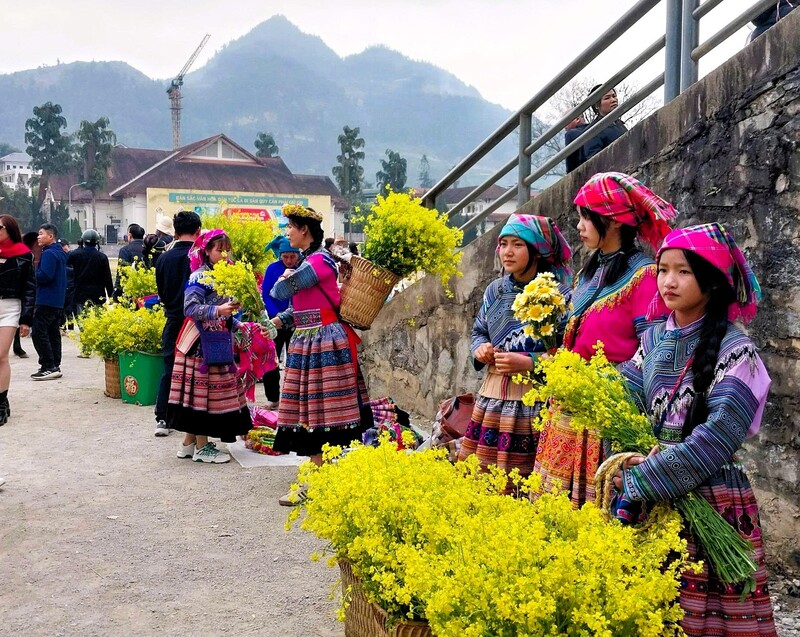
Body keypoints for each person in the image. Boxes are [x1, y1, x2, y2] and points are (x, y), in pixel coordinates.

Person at [615, 223, 777, 636]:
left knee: (708, 616)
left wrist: (646, 476)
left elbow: (720, 435)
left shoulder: (737, 351)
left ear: (712, 281)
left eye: (683, 271)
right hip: (653, 489)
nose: (668, 281)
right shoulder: (651, 341)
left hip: (712, 494)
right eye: (662, 269)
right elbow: (620, 401)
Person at [532, 171, 677, 507]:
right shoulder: (590, 272)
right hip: (568, 408)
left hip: (603, 416)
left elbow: (652, 353)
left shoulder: (644, 276)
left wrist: (597, 381)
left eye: (586, 216)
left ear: (613, 221)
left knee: (589, 513)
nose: (579, 225)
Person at [458, 214, 573, 485]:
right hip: (492, 397)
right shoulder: (495, 291)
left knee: (527, 482)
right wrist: (480, 349)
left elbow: (569, 352)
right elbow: (479, 332)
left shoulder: (559, 296)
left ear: (536, 250)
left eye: (517, 245)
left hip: (535, 402)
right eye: (503, 244)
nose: (507, 252)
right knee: (481, 479)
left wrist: (530, 362)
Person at [269, 206, 371, 504]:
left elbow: (279, 290)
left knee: (322, 410)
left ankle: (316, 480)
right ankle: (322, 476)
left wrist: (285, 276)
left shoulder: (319, 262)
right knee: (314, 410)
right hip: (309, 339)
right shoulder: (309, 262)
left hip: (324, 342)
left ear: (304, 230)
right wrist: (277, 323)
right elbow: (299, 306)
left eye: (290, 227)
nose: (287, 232)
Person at [167, 229, 253, 463]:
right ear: (206, 251)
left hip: (215, 341)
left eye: (227, 249)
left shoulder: (225, 276)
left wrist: (237, 324)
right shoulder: (199, 276)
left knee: (198, 397)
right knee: (200, 397)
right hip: (199, 345)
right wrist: (218, 310)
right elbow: (190, 308)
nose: (224, 254)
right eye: (219, 249)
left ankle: (188, 444)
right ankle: (203, 447)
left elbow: (226, 314)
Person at [153, 210, 201, 437]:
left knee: (169, 368)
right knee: (198, 371)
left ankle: (163, 417)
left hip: (173, 321)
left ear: (176, 231)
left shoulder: (163, 258)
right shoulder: (200, 257)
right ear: (198, 231)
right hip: (197, 323)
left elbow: (161, 292)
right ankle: (193, 419)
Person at [0, 215, 36, 424]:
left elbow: (30, 288)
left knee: (1, 355)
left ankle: (1, 402)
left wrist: (26, 320)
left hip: (10, 307)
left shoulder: (23, 255)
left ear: (9, 229)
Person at [261, 235, 301, 408]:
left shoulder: (302, 269)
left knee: (296, 362)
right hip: (275, 321)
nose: (289, 260)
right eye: (285, 257)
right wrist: (277, 315)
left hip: (297, 322)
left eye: (293, 256)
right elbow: (266, 295)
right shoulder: (272, 269)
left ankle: (295, 399)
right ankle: (273, 398)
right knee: (271, 361)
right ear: (279, 255)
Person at [31, 223, 67, 380]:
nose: (38, 237)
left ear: (50, 236)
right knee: (52, 333)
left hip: (46, 299)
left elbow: (45, 276)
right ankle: (55, 365)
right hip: (57, 300)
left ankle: (48, 365)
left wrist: (33, 273)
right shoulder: (59, 253)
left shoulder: (49, 254)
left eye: (41, 234)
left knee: (38, 332)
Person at [565, 86, 628, 173]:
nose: (613, 100)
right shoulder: (593, 131)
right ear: (597, 105)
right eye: (607, 98)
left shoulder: (620, 125)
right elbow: (594, 162)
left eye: (614, 96)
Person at [68, 229, 114, 315]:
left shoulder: (75, 255)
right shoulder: (102, 257)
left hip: (80, 294)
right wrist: (111, 295)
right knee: (98, 323)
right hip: (98, 295)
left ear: (82, 241)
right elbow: (107, 278)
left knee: (82, 322)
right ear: (97, 242)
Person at [114, 223, 146, 296]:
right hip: (147, 290)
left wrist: (116, 294)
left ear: (130, 236)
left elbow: (121, 272)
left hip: (130, 290)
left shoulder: (125, 250)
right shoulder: (149, 248)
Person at [58, 239, 76, 330]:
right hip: (62, 286)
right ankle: (63, 327)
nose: (62, 248)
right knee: (61, 309)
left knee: (69, 309)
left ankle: (71, 327)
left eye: (64, 246)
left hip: (71, 285)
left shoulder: (72, 256)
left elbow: (75, 270)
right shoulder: (59, 256)